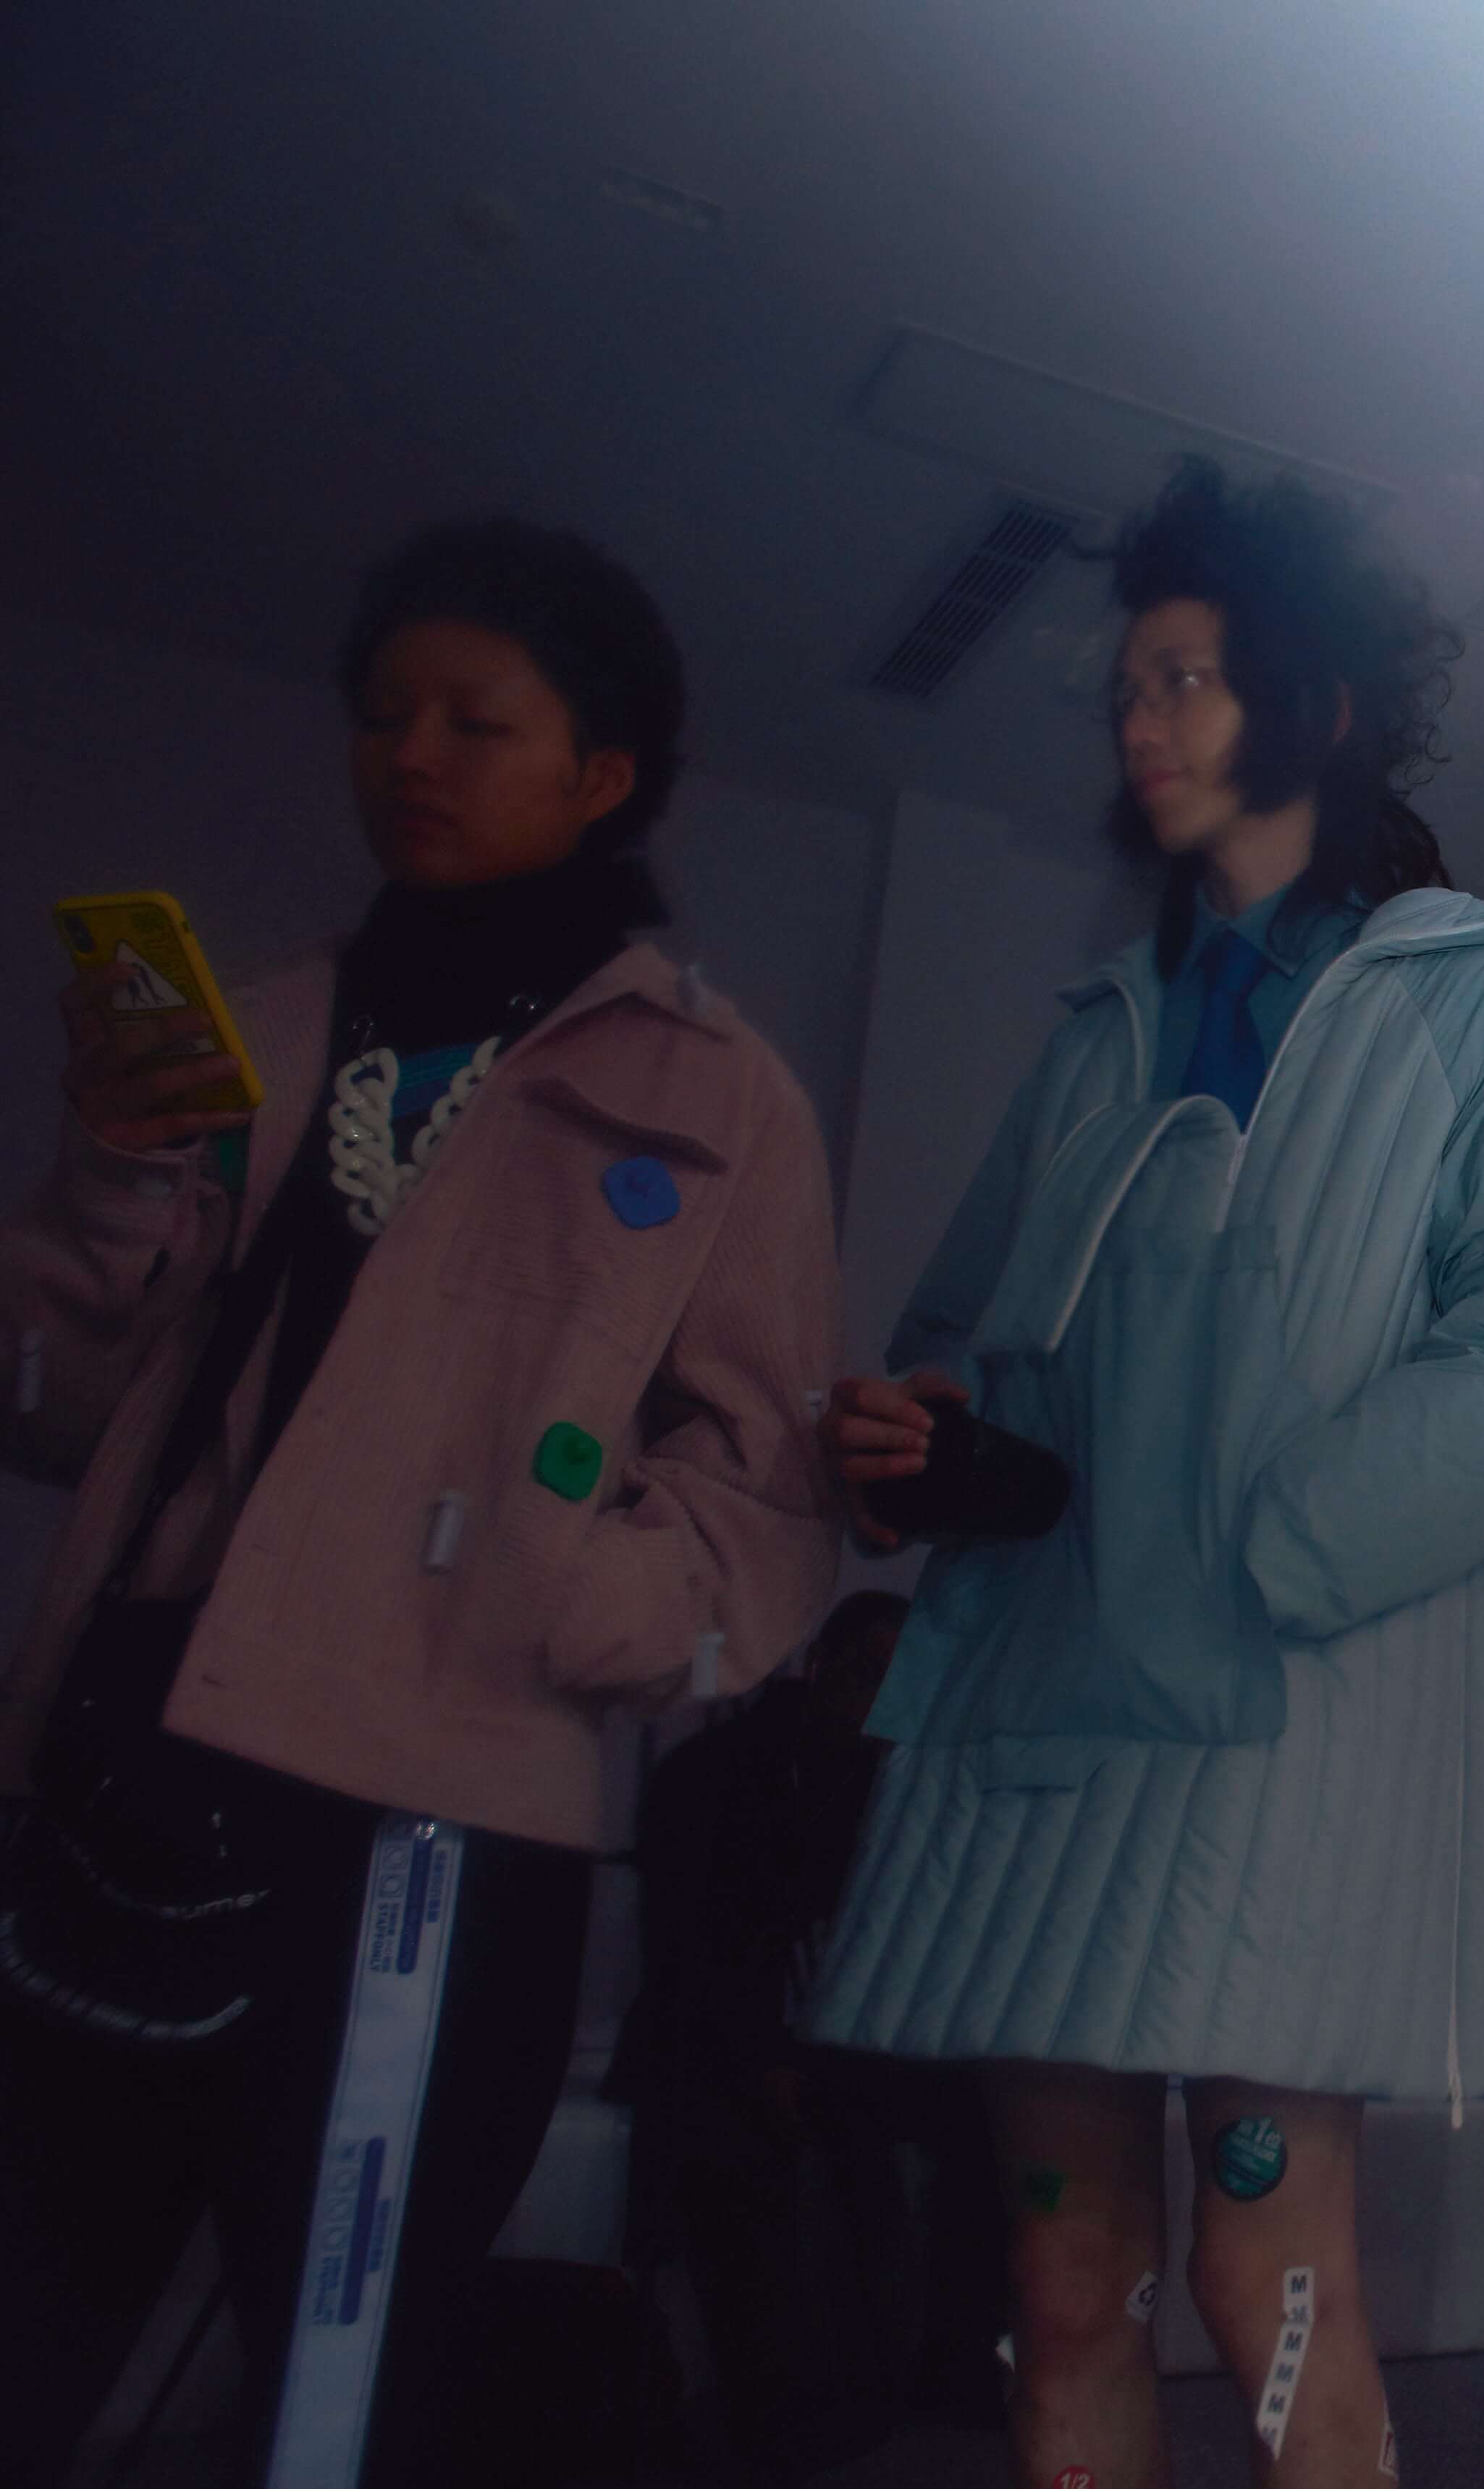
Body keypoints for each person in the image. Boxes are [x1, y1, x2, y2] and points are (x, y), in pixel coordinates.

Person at [0, 519, 842, 2486]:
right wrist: (113, 1171)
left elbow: (767, 1489)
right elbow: (58, 1411)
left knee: (339, 2393)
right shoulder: (267, 1026)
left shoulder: (717, 1093)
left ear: (601, 771)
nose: (414, 756)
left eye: (479, 720)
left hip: (440, 1829)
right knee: (31, 2316)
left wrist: (571, 1598)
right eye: (385, 715)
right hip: (143, 1748)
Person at [804, 460, 1484, 2489]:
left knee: (1272, 2268)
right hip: (1041, 1729)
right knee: (1064, 2271)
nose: (1141, 722)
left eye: (1188, 679)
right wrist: (923, 1442)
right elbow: (959, 1330)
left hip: (1275, 1739)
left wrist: (1270, 1542)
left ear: (1317, 707)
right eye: (1127, 688)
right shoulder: (1101, 1024)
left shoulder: (1462, 989)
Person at [616, 1591, 1010, 2474]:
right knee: (747, 2145)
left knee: (990, 2118)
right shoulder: (723, 1773)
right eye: (871, 1675)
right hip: (722, 2046)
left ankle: (947, 2364)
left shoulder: (892, 1778)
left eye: (907, 1682)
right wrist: (767, 2058)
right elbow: (694, 1956)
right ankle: (786, 2399)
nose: (887, 1701)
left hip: (839, 2044)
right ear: (823, 1667)